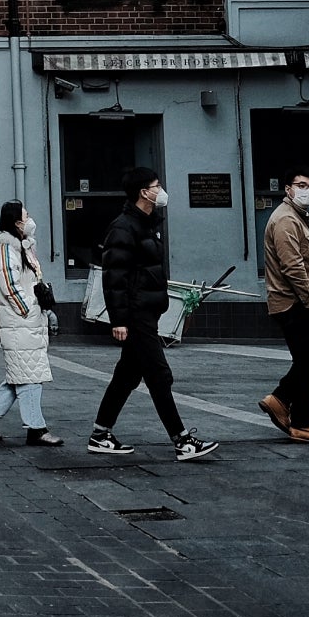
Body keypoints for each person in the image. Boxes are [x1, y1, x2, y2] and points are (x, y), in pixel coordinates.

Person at [89, 169, 219, 463]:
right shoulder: (123, 228)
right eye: (155, 186)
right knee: (159, 375)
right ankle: (182, 441)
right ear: (143, 193)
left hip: (146, 310)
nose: (160, 190)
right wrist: (119, 320)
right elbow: (114, 278)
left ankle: (100, 434)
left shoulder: (147, 225)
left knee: (126, 376)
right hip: (135, 316)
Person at [0, 200, 61, 446]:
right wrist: (28, 310)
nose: (30, 220)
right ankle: (37, 428)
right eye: (26, 216)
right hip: (20, 322)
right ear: (15, 222)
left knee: (23, 372)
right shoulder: (6, 249)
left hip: (29, 322)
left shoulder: (23, 247)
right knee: (29, 376)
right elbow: (10, 286)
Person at [260, 168, 309, 444]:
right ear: (288, 189)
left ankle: (287, 406)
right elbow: (292, 267)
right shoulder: (285, 220)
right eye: (301, 185)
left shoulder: (297, 218)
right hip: (294, 302)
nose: (308, 190)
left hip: (298, 301)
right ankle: (294, 414)